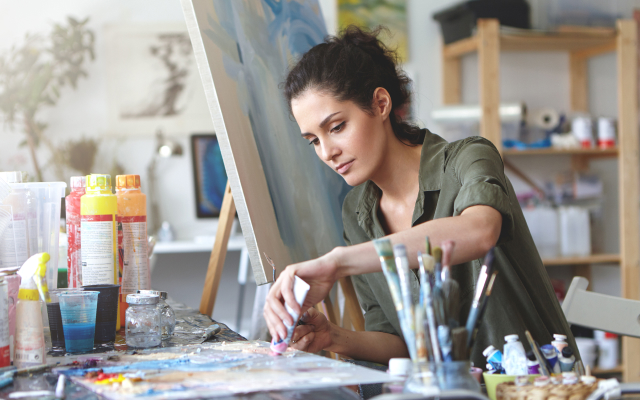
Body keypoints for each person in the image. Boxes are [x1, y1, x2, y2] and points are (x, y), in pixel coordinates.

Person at [263, 25, 577, 367]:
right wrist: (333, 337)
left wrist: (338, 262)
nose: (327, 152)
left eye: (337, 127)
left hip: (532, 387)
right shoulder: (357, 212)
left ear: (381, 104)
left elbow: (479, 231)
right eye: (313, 140)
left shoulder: (467, 158)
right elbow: (402, 344)